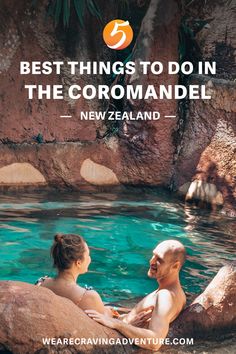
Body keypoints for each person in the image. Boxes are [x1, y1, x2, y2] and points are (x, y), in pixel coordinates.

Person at [86, 240, 187, 351]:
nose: (152, 261)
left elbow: (155, 342)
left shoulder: (165, 297)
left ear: (175, 266)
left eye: (159, 260)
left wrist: (116, 323)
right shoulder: (172, 291)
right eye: (153, 255)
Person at [36, 233, 113, 315]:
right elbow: (106, 320)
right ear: (79, 263)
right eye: (88, 255)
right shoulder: (88, 297)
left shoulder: (41, 283)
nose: (90, 259)